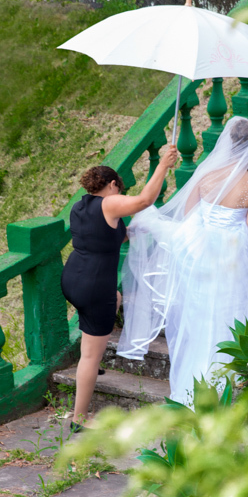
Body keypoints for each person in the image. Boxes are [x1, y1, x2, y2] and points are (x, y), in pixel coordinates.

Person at [118, 117, 248, 407]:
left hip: (200, 256)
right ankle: (225, 387)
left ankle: (192, 388)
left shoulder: (206, 176)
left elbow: (189, 218)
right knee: (229, 317)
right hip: (232, 260)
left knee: (199, 319)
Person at [61, 145, 177, 430]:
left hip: (73, 278)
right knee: (90, 355)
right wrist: (163, 164)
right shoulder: (109, 203)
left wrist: (131, 233)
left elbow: (106, 237)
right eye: (119, 189)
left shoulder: (80, 206)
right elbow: (145, 199)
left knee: (115, 298)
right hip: (94, 284)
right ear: (112, 185)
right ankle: (79, 418)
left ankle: (90, 363)